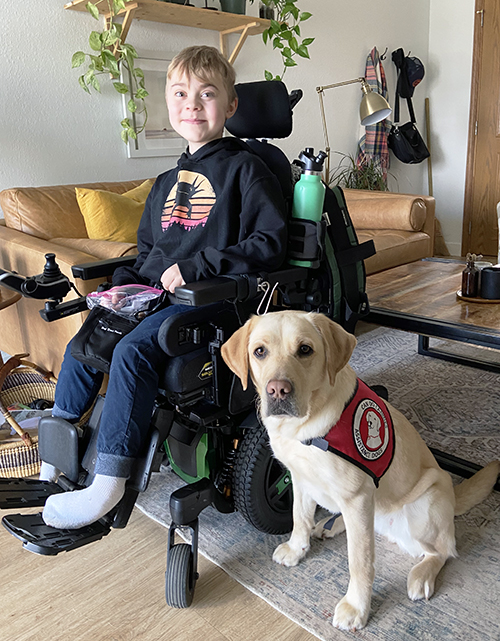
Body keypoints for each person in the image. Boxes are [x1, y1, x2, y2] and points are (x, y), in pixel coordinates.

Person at [41, 45, 288, 529]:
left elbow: (269, 244)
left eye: (207, 93)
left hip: (216, 302)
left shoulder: (247, 170)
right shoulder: (165, 182)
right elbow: (150, 253)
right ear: (170, 104)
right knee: (87, 338)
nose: (192, 103)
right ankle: (57, 463)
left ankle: (107, 484)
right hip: (159, 301)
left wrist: (199, 266)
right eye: (181, 93)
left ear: (231, 107)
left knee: (133, 353)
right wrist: (120, 287)